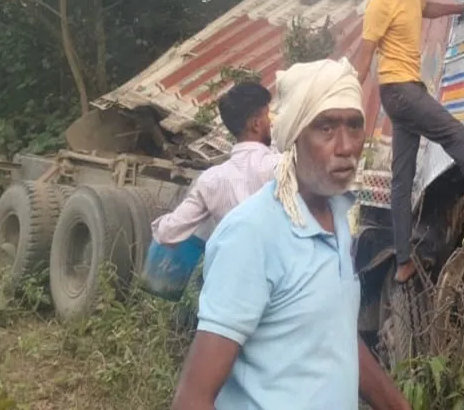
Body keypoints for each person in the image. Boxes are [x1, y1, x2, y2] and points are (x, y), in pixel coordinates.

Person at [172, 59, 410, 410]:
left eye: (354, 126)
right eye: (325, 128)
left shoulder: (338, 219)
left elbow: (334, 335)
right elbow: (192, 400)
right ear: (295, 137)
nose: (345, 146)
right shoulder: (252, 233)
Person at [351, 0, 464, 284]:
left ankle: (403, 262)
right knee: (457, 135)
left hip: (404, 94)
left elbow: (425, 7)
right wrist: (346, 105)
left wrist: (463, 6)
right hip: (400, 91)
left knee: (402, 180)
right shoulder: (379, 3)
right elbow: (365, 56)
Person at [152, 81, 280, 245]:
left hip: (236, 267)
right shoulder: (280, 166)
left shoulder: (210, 180)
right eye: (267, 116)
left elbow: (166, 233)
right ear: (256, 124)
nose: (271, 123)